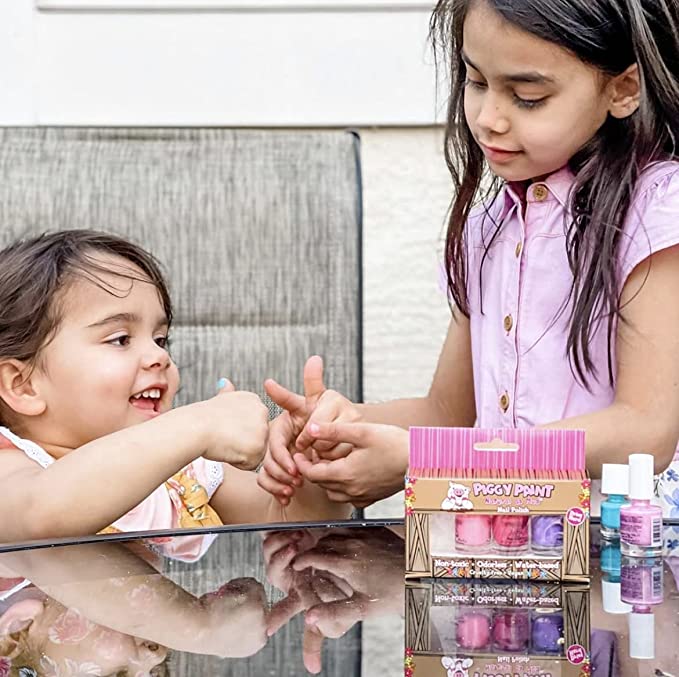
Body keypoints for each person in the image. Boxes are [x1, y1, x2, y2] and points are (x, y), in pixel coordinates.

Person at [258, 0, 679, 515]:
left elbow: (645, 431)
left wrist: (427, 460)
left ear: (623, 89)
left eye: (527, 97)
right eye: (476, 82)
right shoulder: (488, 229)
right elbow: (447, 414)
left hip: (627, 554)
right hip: (505, 551)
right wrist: (337, 429)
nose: (486, 119)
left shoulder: (658, 212)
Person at [0, 230, 350, 553]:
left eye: (160, 339)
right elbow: (40, 514)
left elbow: (290, 525)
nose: (159, 357)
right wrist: (198, 425)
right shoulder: (11, 466)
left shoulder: (181, 471)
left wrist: (311, 470)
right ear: (23, 385)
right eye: (120, 339)